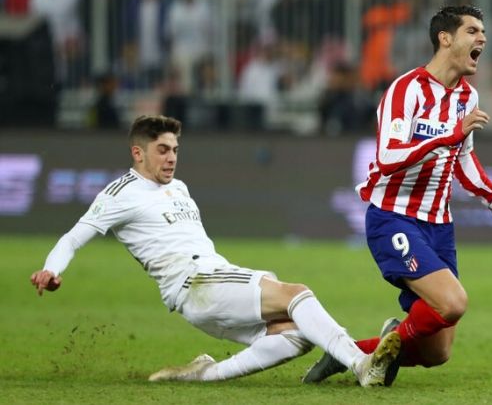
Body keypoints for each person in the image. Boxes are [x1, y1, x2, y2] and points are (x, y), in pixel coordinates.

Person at [30, 115, 400, 387]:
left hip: (211, 283)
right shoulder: (120, 193)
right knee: (297, 293)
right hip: (195, 283)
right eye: (162, 150)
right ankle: (360, 363)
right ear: (137, 153)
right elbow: (73, 236)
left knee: (298, 334)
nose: (171, 157)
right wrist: (51, 269)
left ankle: (205, 374)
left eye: (175, 149)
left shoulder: (180, 187)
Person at [301, 5, 492, 385]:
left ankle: (350, 352)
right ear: (445, 38)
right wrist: (448, 136)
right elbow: (388, 157)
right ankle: (370, 360)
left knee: (437, 352)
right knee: (454, 303)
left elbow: (463, 157)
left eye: (483, 31)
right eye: (473, 31)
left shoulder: (466, 97)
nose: (482, 38)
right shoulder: (406, 89)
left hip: (439, 225)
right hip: (394, 217)